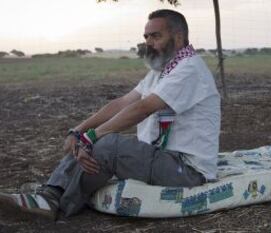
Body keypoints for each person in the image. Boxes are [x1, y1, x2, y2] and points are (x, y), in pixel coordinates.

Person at [0, 9, 221, 220]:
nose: (149, 43)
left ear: (179, 38)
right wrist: (78, 131)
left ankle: (54, 203)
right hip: (163, 156)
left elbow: (142, 109)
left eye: (156, 36)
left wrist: (92, 137)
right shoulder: (163, 70)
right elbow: (122, 103)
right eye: (146, 37)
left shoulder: (189, 69)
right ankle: (49, 192)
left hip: (188, 169)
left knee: (108, 145)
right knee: (91, 141)